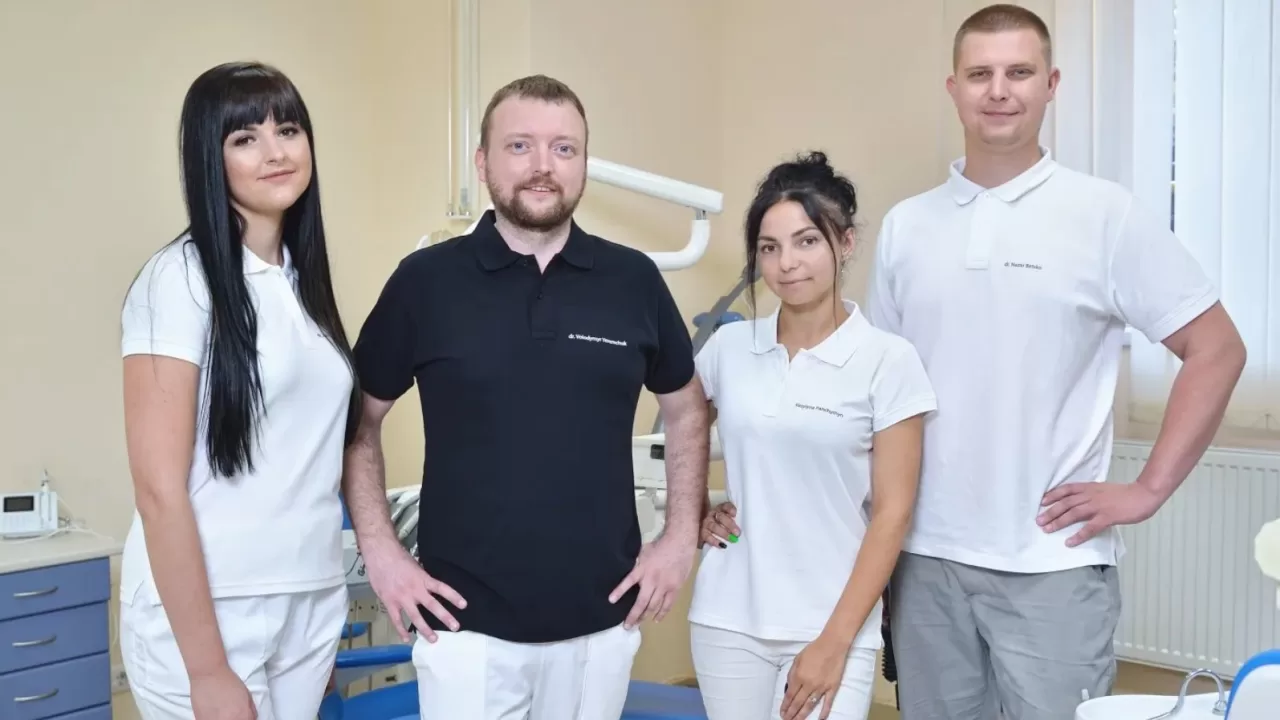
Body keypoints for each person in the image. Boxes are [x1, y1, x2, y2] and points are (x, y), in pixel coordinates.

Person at [866, 5, 1247, 719]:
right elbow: (880, 397)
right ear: (953, 88)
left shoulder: (1104, 214)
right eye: (980, 74)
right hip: (923, 556)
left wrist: (1148, 489)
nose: (998, 90)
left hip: (1052, 560)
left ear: (1051, 85)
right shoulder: (905, 227)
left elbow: (1218, 348)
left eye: (1019, 72)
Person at [342, 74, 710, 720]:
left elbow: (686, 409)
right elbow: (358, 424)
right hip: (464, 631)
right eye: (520, 146)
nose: (543, 166)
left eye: (564, 149)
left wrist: (680, 538)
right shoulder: (426, 283)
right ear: (482, 162)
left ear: (584, 164)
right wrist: (381, 552)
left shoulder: (633, 281)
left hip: (602, 626)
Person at [117, 61, 361, 719]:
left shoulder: (301, 285)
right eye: (245, 138)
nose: (276, 152)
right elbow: (158, 490)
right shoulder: (179, 279)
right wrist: (207, 669)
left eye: (288, 130)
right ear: (210, 157)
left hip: (307, 602)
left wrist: (317, 607)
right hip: (211, 611)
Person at [690, 151, 937, 720]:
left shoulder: (887, 360)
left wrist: (834, 642)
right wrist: (696, 508)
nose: (787, 264)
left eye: (806, 241)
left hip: (833, 622)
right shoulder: (730, 348)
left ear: (844, 243)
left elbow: (893, 514)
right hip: (728, 617)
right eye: (769, 247)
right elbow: (683, 429)